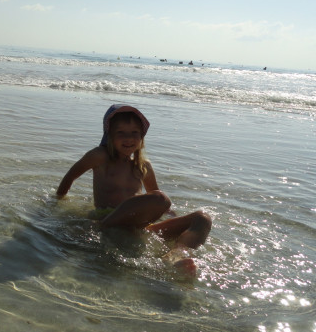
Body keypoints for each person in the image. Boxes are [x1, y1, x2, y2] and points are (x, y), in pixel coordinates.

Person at [56, 104, 212, 275]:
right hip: (109, 218)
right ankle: (102, 226)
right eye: (121, 132)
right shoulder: (100, 156)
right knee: (162, 199)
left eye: (134, 133)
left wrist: (169, 214)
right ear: (109, 135)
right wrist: (58, 199)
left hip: (137, 225)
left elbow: (154, 198)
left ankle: (176, 254)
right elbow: (70, 176)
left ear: (142, 137)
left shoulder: (143, 166)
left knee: (202, 218)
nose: (128, 138)